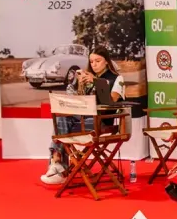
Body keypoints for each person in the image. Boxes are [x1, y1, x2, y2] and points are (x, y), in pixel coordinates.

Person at [41, 46, 125, 185]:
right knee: (61, 118)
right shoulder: (87, 77)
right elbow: (79, 102)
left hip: (102, 120)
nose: (94, 64)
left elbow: (113, 100)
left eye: (98, 61)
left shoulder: (116, 78)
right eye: (91, 61)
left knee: (60, 127)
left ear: (106, 61)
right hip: (83, 118)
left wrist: (95, 82)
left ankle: (58, 169)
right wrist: (79, 86)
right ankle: (57, 163)